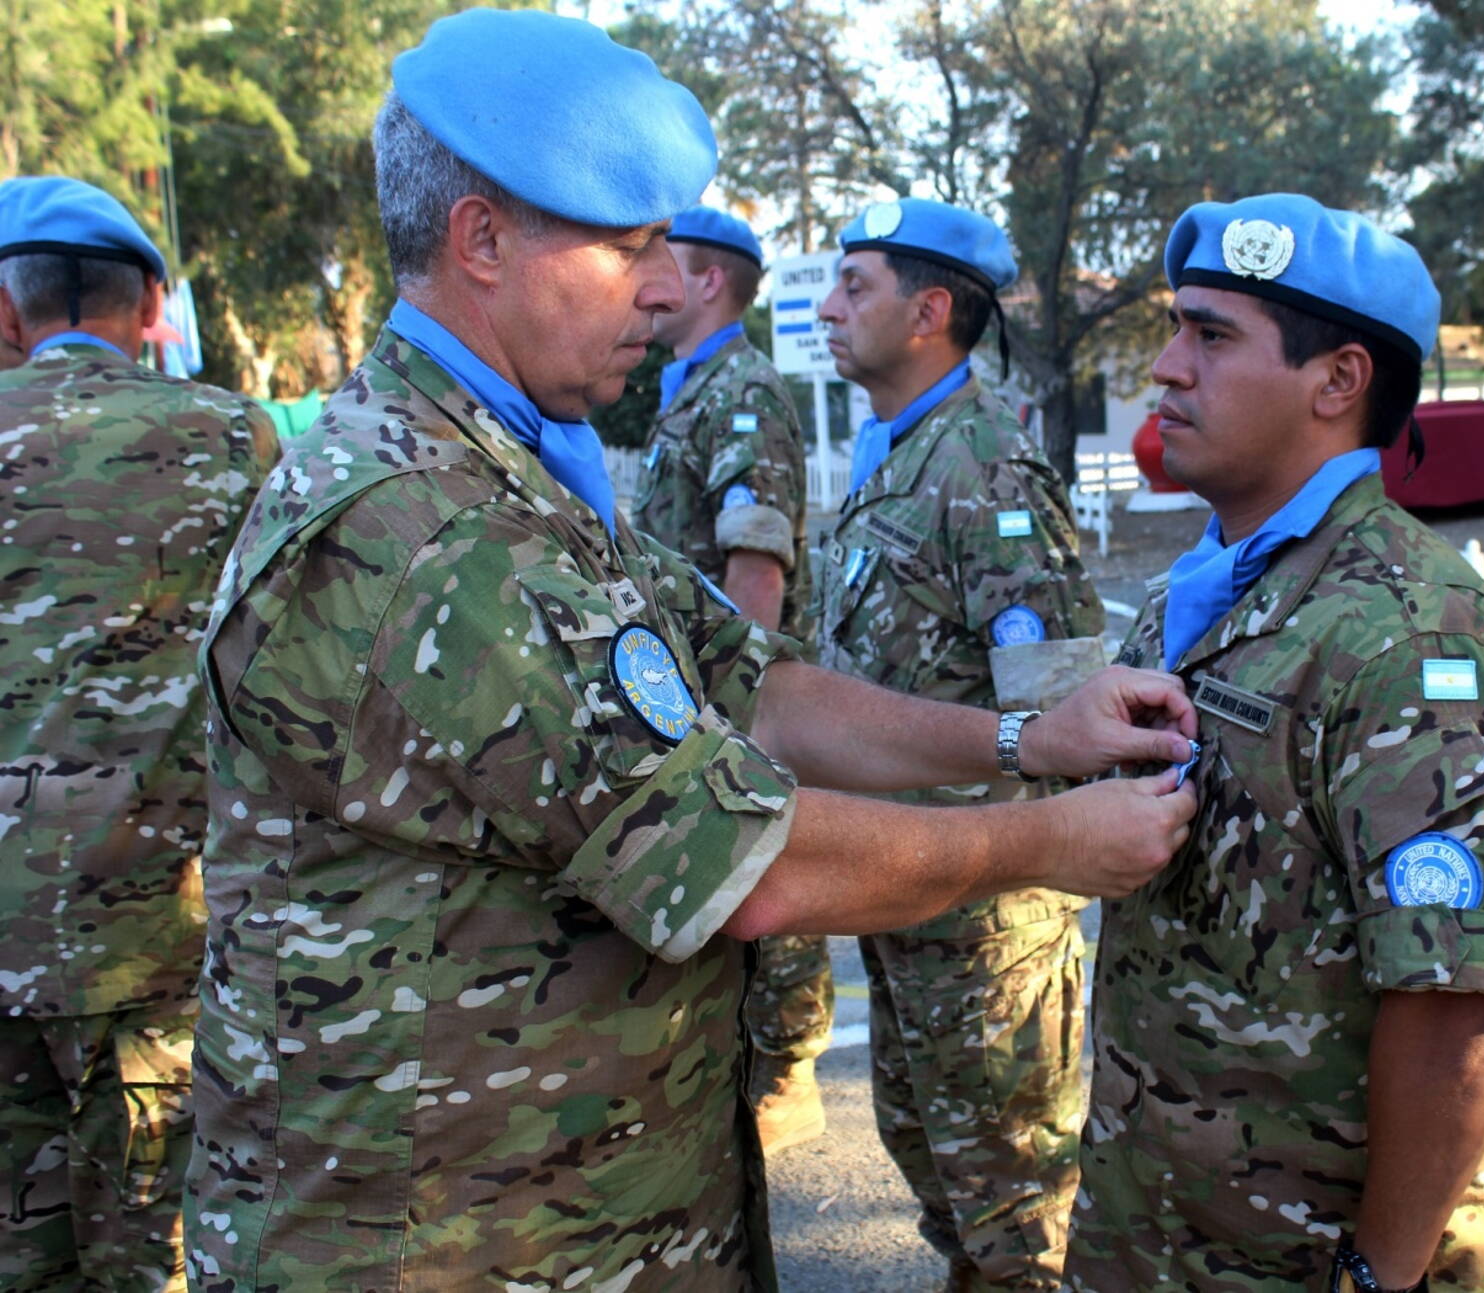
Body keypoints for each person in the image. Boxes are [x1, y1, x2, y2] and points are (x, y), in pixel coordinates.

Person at [181, 11, 1198, 1292]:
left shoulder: (513, 477)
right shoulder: (415, 530)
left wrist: (1020, 737)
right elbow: (747, 867)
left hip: (578, 1222)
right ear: (479, 240)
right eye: (626, 245)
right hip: (439, 1244)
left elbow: (757, 688)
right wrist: (1046, 841)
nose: (669, 289)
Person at [1065, 194, 1484, 1292]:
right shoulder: (1191, 597)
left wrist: (1376, 1275)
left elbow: (1453, 1002)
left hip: (1312, 1253)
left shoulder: (1413, 633)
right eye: (1173, 329)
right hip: (1164, 1221)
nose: (1164, 369)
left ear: (1337, 382)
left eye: (1208, 335)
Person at [813, 197, 1108, 1291]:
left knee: (1015, 1203)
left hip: (987, 929)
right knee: (938, 1171)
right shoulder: (894, 454)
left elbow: (1061, 715)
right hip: (900, 888)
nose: (828, 309)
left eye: (856, 287)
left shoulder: (982, 469)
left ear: (930, 311)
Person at [0, 176, 279, 1291]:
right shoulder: (230, 438)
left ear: (5, 313)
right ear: (152, 306)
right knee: (161, 1259)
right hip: (166, 949)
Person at [631, 204, 830, 1152]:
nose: (649, 284)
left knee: (762, 865)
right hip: (695, 692)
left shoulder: (740, 392)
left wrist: (729, 729)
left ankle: (785, 1070)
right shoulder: (693, 389)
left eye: (665, 263)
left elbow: (757, 571)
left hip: (726, 699)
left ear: (711, 281)